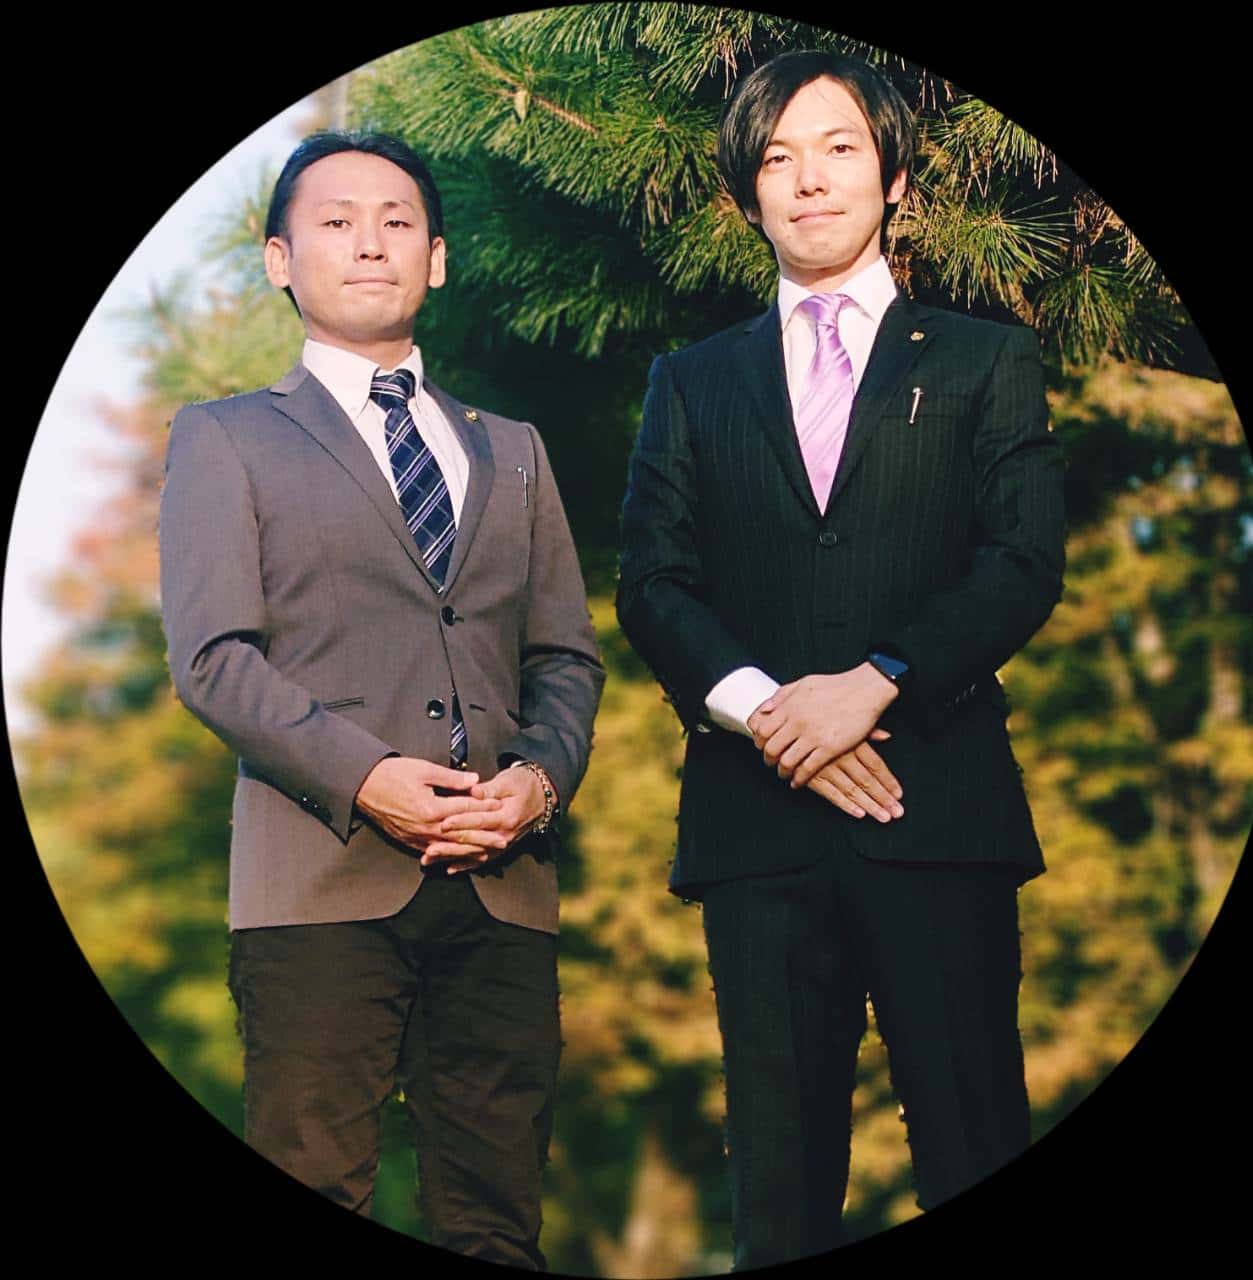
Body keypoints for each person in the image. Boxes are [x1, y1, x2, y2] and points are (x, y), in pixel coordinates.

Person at [617, 50, 1066, 1267]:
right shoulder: (689, 382)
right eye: (777, 158)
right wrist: (775, 715)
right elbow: (651, 582)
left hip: (937, 803)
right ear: (744, 195)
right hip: (757, 829)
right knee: (778, 1194)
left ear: (895, 177)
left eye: (838, 149)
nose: (808, 179)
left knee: (974, 1145)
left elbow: (1021, 562)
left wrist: (874, 683)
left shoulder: (982, 360)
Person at [158, 130, 604, 1269]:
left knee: (498, 1223)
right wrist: (366, 777)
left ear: (436, 259)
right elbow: (213, 657)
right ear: (279, 259)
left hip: (503, 884)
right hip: (317, 882)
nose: (370, 242)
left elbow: (564, 657)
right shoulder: (225, 437)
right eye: (336, 220)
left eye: (398, 221)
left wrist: (539, 782)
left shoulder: (514, 450)